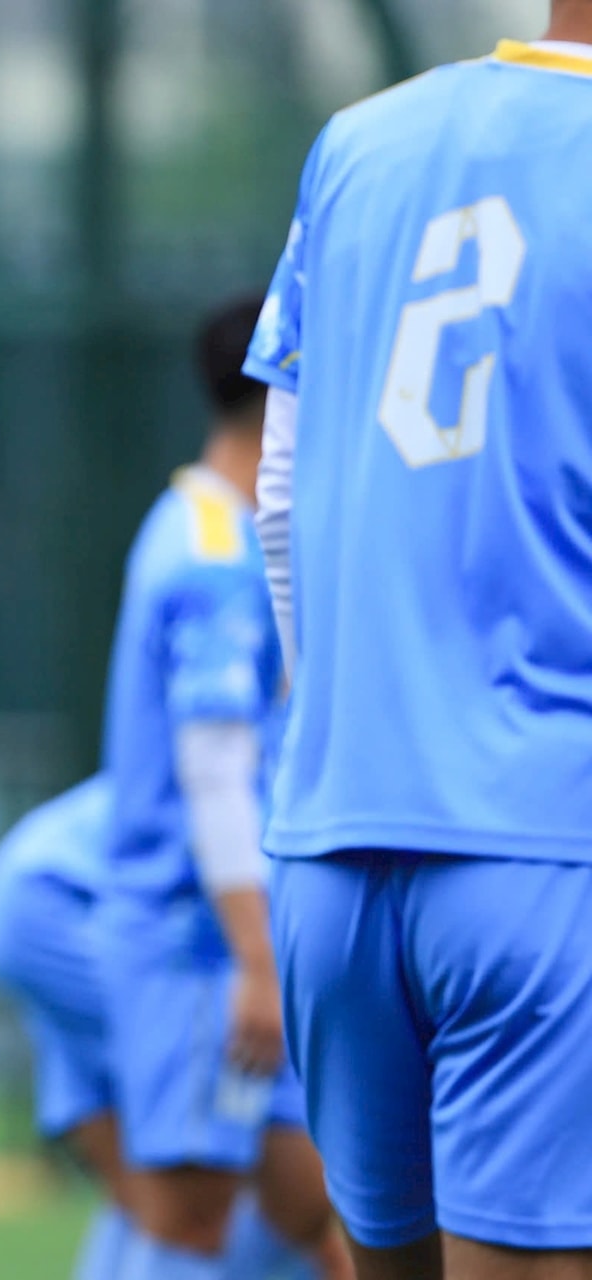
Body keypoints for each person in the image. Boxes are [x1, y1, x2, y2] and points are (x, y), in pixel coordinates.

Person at [244, 10, 592, 1278]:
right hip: (550, 844)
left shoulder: (360, 142)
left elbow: (279, 493)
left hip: (336, 847)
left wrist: (348, 725)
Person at [96, 298, 351, 1280]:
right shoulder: (212, 557)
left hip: (235, 940)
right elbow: (214, 772)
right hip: (199, 945)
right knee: (191, 1220)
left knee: (318, 1207)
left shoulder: (218, 526)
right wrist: (256, 959)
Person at [0, 774, 323, 1280]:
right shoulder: (286, 785)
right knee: (212, 1210)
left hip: (42, 892)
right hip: (77, 902)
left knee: (153, 1199)